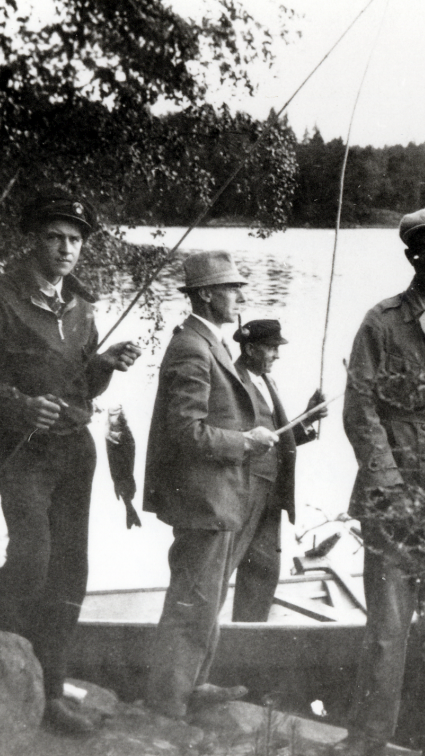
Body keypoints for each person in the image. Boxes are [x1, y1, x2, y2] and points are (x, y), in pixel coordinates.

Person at [0, 189, 142, 734]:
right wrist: (18, 407)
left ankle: (50, 693)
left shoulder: (82, 306)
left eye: (75, 239)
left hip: (75, 450)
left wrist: (104, 363)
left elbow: (81, 384)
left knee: (70, 570)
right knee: (32, 557)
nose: (64, 249)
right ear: (34, 239)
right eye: (54, 237)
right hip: (21, 448)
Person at [338, 207, 425, 756]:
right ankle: (370, 739)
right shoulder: (381, 320)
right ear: (409, 254)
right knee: (389, 631)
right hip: (392, 499)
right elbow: (359, 408)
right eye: (424, 248)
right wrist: (390, 484)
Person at [142, 250, 280, 721]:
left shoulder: (211, 342)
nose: (240, 295)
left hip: (218, 497)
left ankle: (192, 685)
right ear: (206, 295)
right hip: (203, 498)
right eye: (231, 288)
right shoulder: (192, 347)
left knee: (206, 599)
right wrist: (245, 442)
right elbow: (186, 431)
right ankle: (168, 702)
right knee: (192, 602)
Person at [230, 318, 327, 621]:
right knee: (222, 565)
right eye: (271, 348)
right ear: (249, 348)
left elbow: (275, 438)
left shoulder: (266, 380)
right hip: (242, 493)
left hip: (270, 496)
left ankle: (247, 639)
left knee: (264, 570)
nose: (277, 355)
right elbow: (234, 440)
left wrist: (307, 418)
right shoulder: (231, 381)